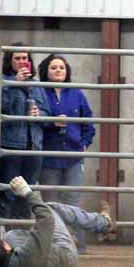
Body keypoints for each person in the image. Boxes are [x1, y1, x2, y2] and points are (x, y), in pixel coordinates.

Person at [37, 54, 95, 254]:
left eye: (62, 67)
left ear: (67, 71)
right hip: (48, 155)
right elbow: (35, 120)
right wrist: (52, 122)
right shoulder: (39, 92)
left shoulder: (77, 93)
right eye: (54, 67)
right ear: (46, 70)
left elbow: (88, 121)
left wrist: (85, 143)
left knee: (72, 200)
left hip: (73, 154)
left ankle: (77, 245)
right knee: (50, 201)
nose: (58, 70)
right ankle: (54, 245)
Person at [0, 43, 50, 220]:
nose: (22, 61)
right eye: (17, 58)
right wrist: (14, 84)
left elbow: (48, 114)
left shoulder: (37, 85)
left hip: (34, 145)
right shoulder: (3, 82)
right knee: (9, 192)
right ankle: (9, 235)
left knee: (28, 191)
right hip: (11, 145)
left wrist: (40, 114)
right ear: (9, 61)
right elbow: (0, 107)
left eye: (25, 58)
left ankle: (23, 232)